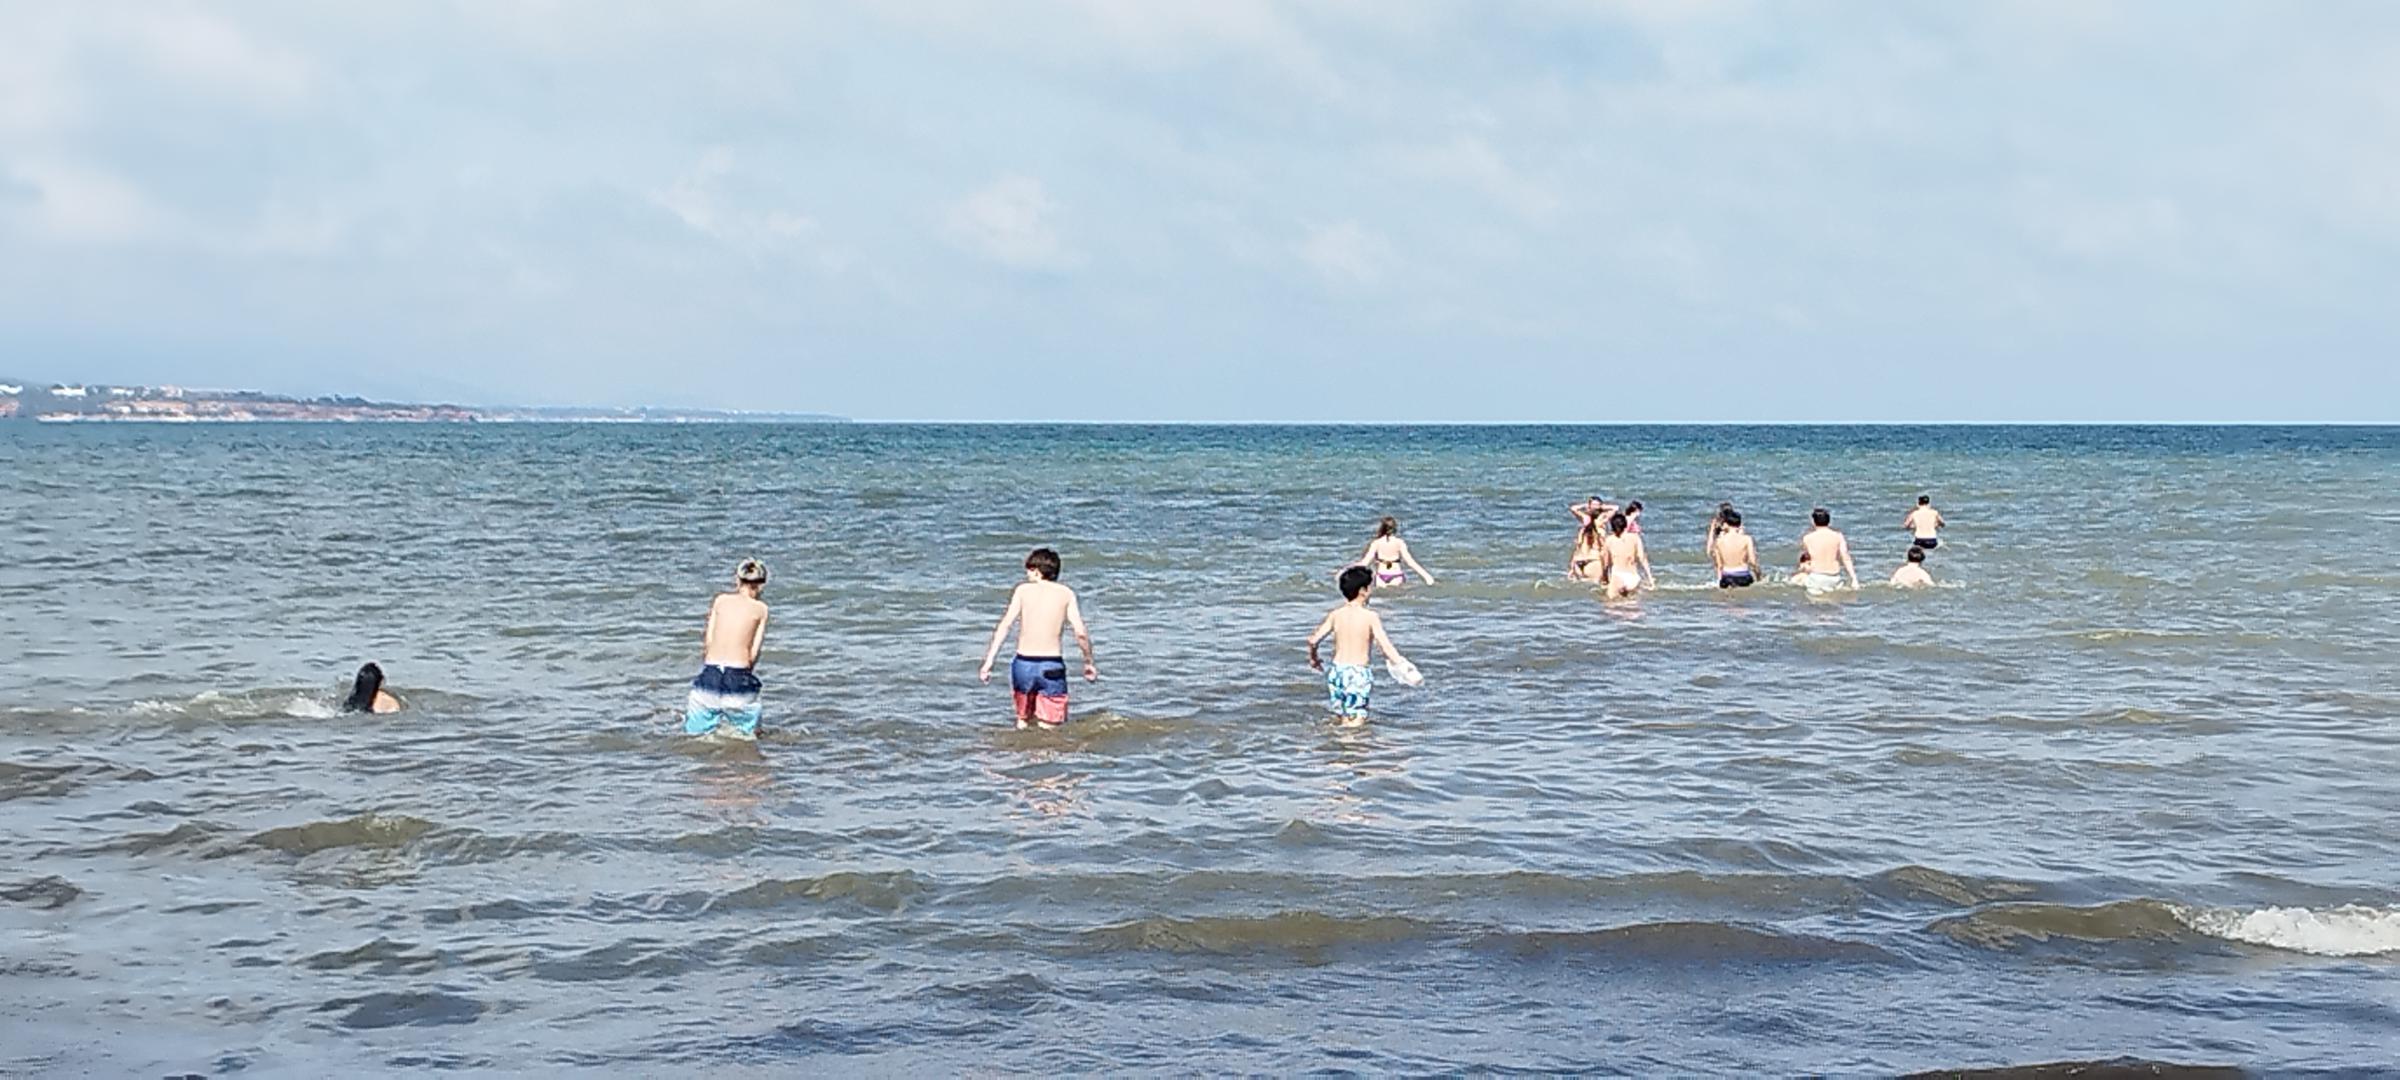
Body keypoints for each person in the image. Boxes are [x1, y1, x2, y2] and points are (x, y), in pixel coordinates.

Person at [979, 547, 1099, 729]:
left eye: (1029, 570)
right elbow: (1080, 632)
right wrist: (1088, 662)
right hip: (1051, 665)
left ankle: (1020, 746)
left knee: (1023, 720)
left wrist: (989, 662)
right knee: (1050, 725)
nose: (1026, 574)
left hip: (1023, 664)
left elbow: (1005, 626)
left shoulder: (1022, 591)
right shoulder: (1066, 593)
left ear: (1036, 571)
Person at [1308, 565, 1416, 724]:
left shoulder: (1336, 614)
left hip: (1337, 672)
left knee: (1342, 716)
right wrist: (1402, 665)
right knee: (1356, 720)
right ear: (1363, 590)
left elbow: (1313, 640)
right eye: (1370, 586)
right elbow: (1385, 646)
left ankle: (1337, 738)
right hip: (1357, 673)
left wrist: (1314, 659)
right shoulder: (1370, 616)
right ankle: (1351, 739)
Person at [685, 558, 771, 739]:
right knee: (748, 737)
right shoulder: (761, 609)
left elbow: (708, 643)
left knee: (696, 737)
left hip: (709, 677)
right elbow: (752, 655)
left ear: (737, 580)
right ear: (762, 584)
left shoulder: (720, 601)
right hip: (738, 678)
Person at [1356, 516, 1436, 587]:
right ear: (1395, 528)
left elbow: (1365, 563)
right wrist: (1427, 576)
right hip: (1396, 575)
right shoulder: (1400, 542)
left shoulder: (1376, 543)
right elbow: (1410, 562)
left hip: (1381, 576)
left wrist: (1350, 568)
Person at [1797, 508, 1859, 593]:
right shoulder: (1838, 536)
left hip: (1816, 577)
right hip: (1834, 578)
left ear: (1813, 521)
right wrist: (1854, 579)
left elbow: (1808, 560)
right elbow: (1846, 557)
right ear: (1829, 521)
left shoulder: (1807, 538)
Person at [1600, 512, 1650, 598]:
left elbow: (1606, 563)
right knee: (1631, 604)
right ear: (1625, 525)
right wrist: (1650, 578)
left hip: (1618, 576)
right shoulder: (1635, 538)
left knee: (1609, 603)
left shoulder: (1609, 540)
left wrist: (1604, 578)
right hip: (1634, 578)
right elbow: (1642, 558)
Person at [1711, 509, 1762, 588]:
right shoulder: (1747, 539)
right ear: (1739, 524)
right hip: (1743, 576)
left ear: (1726, 524)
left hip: (1727, 577)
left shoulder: (1719, 541)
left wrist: (1720, 581)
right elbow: (1752, 562)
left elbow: (1719, 565)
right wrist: (1758, 575)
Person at [1569, 509, 1607, 582]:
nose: (1604, 521)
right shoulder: (1601, 532)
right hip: (1593, 562)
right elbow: (1604, 551)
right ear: (1595, 520)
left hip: (1578, 563)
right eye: (1602, 519)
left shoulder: (1583, 530)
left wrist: (1572, 566)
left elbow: (1578, 548)